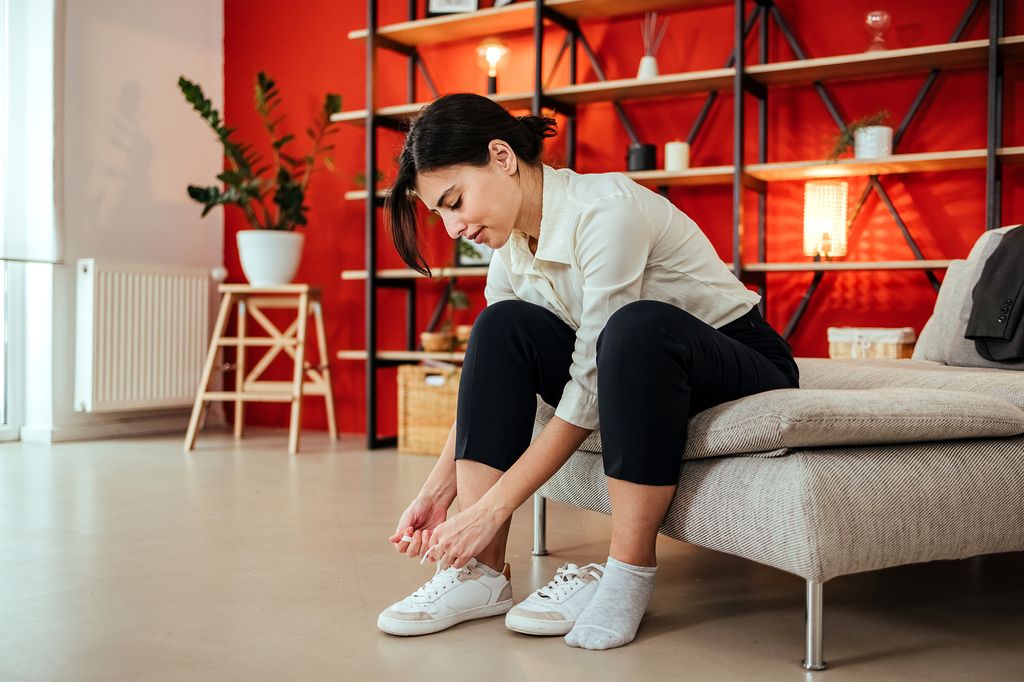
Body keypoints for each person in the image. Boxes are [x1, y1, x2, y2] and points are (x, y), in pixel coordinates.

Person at [376, 93, 799, 649]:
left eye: (455, 201)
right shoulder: (509, 250)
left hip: (735, 358)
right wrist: (439, 491)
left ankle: (628, 572)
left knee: (634, 327)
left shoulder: (605, 210)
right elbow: (497, 373)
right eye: (441, 214)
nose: (453, 228)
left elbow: (591, 382)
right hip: (633, 372)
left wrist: (491, 506)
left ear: (502, 156)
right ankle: (479, 572)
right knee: (500, 326)